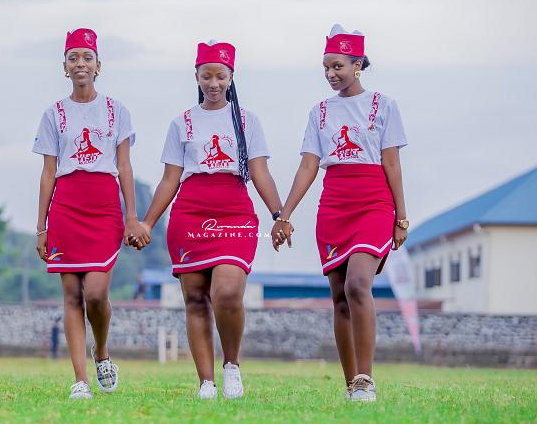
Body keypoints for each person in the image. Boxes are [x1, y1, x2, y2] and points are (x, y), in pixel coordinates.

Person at [272, 24, 409, 402]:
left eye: (338, 66)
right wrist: (284, 215)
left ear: (357, 65)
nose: (331, 74)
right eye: (326, 68)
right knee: (339, 296)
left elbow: (392, 164)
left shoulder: (384, 105)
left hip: (374, 203)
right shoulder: (320, 112)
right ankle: (351, 385)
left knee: (357, 284)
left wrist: (401, 217)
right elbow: (308, 166)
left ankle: (366, 379)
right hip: (334, 205)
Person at [139, 40, 283, 399]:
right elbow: (170, 180)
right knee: (195, 299)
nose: (214, 83)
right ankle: (205, 382)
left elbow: (260, 172)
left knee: (228, 292)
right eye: (207, 76)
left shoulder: (247, 120)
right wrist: (147, 223)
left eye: (220, 76)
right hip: (189, 214)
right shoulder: (181, 123)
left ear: (231, 76)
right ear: (197, 76)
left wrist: (279, 214)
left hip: (235, 214)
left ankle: (231, 365)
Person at [32, 28, 149, 400]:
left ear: (99, 65)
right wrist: (41, 226)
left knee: (96, 294)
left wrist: (132, 217)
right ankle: (80, 380)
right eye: (73, 58)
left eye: (87, 57)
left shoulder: (117, 111)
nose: (80, 64)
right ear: (64, 66)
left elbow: (125, 167)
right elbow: (48, 173)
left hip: (103, 207)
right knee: (71, 295)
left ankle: (101, 352)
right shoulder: (53, 114)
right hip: (66, 206)